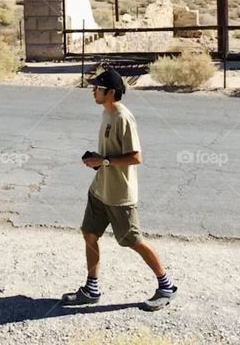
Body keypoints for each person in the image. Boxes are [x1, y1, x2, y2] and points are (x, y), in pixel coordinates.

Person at [61, 67, 178, 312]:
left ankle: (166, 287)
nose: (93, 90)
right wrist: (98, 158)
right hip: (100, 189)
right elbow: (110, 154)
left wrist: (103, 161)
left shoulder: (123, 117)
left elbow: (136, 157)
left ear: (111, 92)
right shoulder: (107, 113)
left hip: (119, 196)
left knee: (133, 241)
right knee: (90, 233)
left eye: (98, 88)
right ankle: (91, 289)